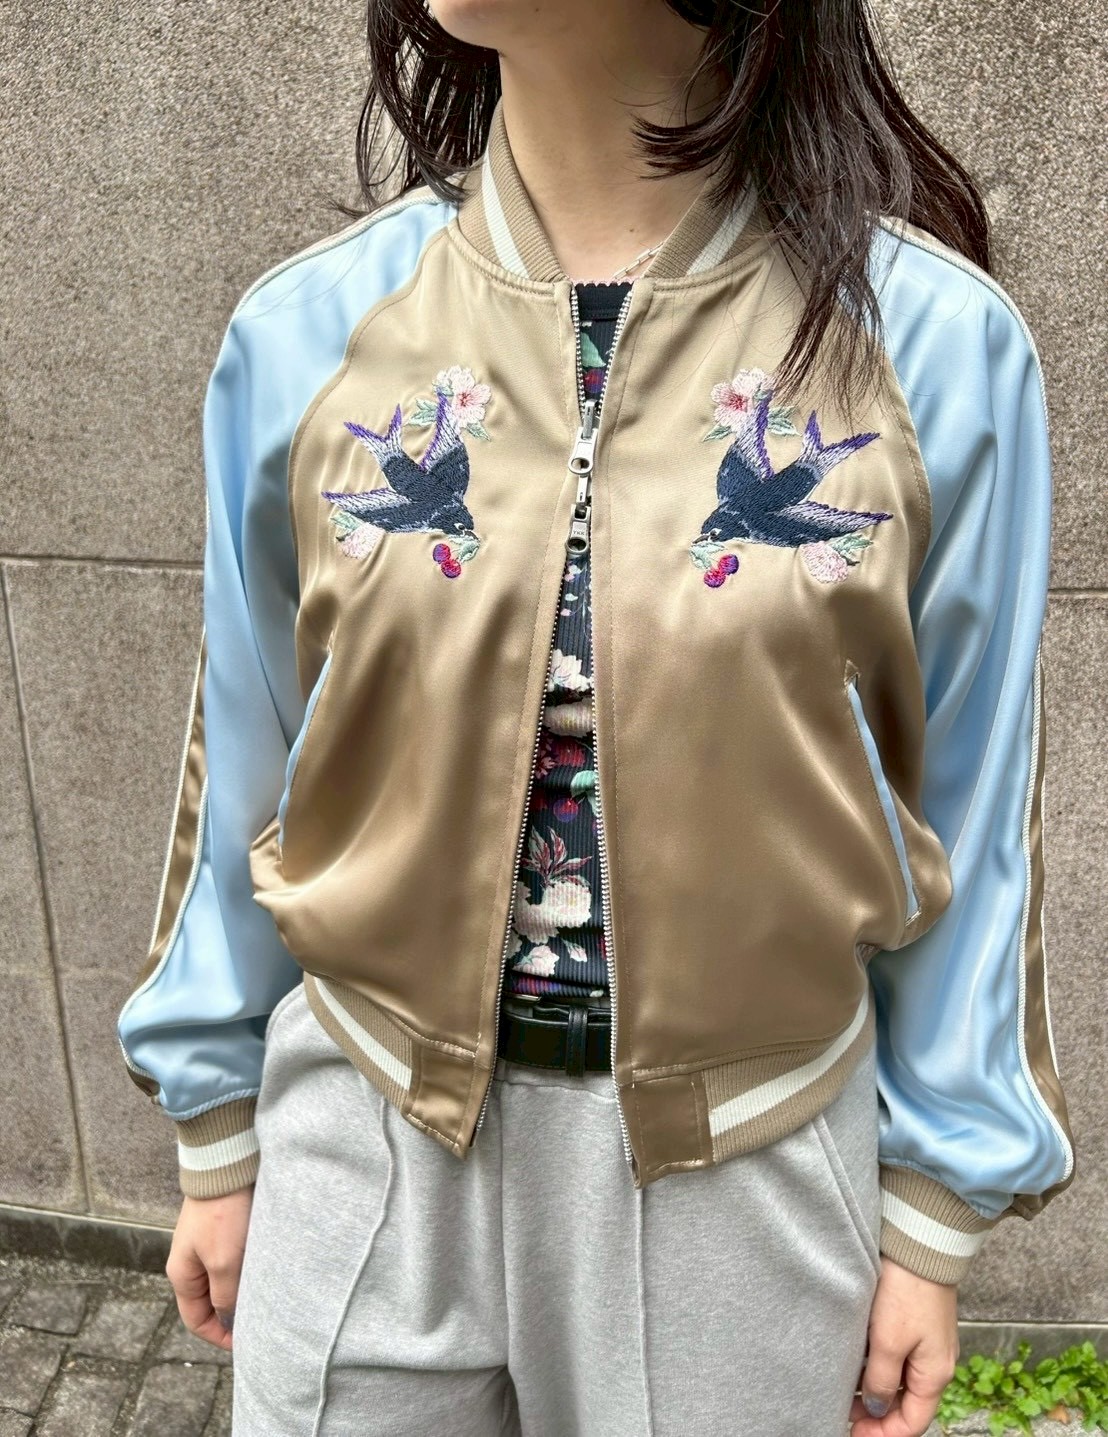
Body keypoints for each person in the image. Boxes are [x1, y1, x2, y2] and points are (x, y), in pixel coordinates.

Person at [116, 1, 1078, 1433]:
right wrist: (215, 1114)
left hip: (740, 1173)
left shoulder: (932, 349)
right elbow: (253, 746)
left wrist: (934, 1206)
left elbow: (974, 805)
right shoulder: (312, 331)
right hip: (362, 1132)